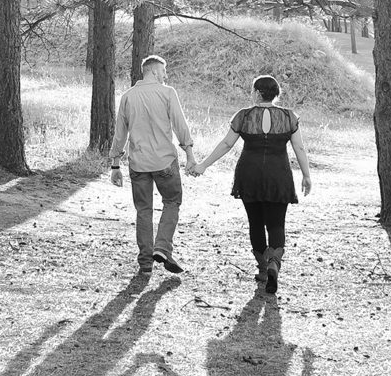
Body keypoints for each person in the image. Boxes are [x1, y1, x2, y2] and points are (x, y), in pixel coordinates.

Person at [190, 75, 312, 294]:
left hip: (249, 174)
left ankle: (263, 269)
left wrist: (203, 165)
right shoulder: (289, 117)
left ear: (257, 93)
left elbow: (227, 144)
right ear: (276, 94)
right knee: (276, 224)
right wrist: (306, 175)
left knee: (255, 223)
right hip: (278, 175)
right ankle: (275, 262)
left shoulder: (244, 116)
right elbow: (299, 148)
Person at [109, 55, 196, 275]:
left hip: (138, 164)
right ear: (155, 72)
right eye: (164, 72)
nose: (166, 76)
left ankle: (145, 264)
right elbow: (180, 124)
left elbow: (120, 133)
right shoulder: (167, 93)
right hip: (164, 161)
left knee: (143, 210)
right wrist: (189, 153)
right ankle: (162, 247)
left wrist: (115, 164)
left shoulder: (128, 97)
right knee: (172, 202)